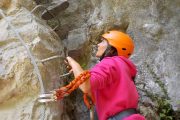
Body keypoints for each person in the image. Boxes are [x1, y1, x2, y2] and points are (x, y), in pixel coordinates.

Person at [65, 30, 145, 120]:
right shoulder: (123, 68)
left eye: (103, 41)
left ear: (112, 48)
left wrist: (73, 62)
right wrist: (78, 72)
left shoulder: (109, 62)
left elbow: (85, 85)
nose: (98, 44)